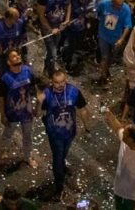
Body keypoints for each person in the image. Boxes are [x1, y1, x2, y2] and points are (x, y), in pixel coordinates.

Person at [38, 69, 89, 200]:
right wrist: (39, 102)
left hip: (70, 131)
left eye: (62, 82)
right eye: (56, 82)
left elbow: (82, 109)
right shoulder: (47, 94)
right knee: (58, 157)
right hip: (55, 134)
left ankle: (62, 166)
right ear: (52, 82)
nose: (60, 85)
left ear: (65, 80)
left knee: (63, 153)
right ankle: (58, 186)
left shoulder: (74, 91)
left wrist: (87, 127)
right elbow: (38, 114)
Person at [104, 111, 135, 210]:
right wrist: (111, 117)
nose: (122, 133)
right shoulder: (126, 143)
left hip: (133, 199)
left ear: (130, 139)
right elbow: (118, 128)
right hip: (120, 192)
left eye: (125, 133)